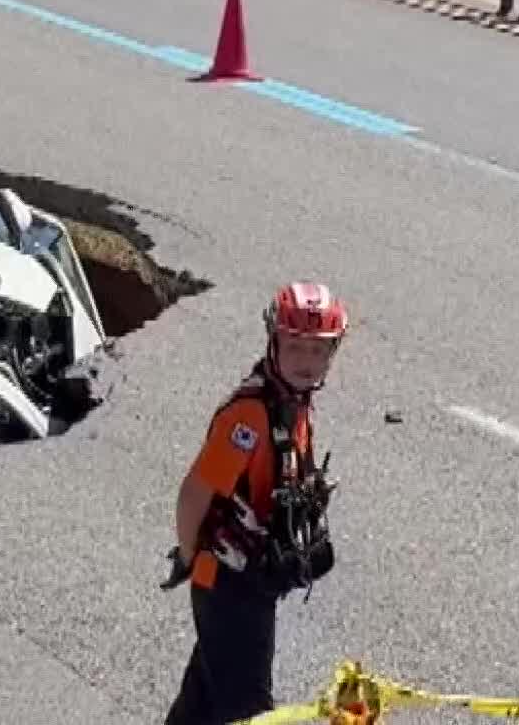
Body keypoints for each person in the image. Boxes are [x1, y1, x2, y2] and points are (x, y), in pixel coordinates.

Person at [165, 283, 345, 725]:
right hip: (228, 586)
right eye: (295, 346)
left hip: (254, 582)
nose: (307, 362)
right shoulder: (249, 417)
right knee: (248, 712)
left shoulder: (292, 401)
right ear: (273, 341)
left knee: (204, 700)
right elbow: (194, 494)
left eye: (319, 351)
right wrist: (190, 558)